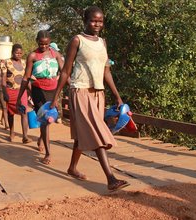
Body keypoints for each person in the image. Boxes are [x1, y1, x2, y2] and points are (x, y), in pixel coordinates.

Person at [50, 6, 130, 191]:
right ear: (85, 21)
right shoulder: (77, 40)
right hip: (80, 91)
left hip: (98, 93)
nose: (97, 24)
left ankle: (72, 168)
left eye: (100, 21)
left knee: (82, 134)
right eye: (93, 20)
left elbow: (106, 71)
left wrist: (117, 97)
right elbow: (65, 71)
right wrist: (55, 98)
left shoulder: (103, 42)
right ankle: (111, 178)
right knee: (96, 132)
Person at [16, 30, 64, 165]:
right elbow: (26, 77)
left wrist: (71, 87)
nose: (43, 47)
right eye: (41, 44)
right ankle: (48, 153)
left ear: (50, 42)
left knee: (50, 119)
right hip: (38, 90)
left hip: (53, 90)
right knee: (44, 119)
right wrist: (20, 96)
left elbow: (64, 72)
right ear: (37, 41)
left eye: (46, 44)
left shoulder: (56, 55)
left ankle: (42, 138)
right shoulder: (33, 56)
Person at [0, 44, 31, 143]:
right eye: (16, 53)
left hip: (22, 91)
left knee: (24, 112)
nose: (18, 55)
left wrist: (31, 91)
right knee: (11, 113)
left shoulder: (24, 63)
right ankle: (12, 132)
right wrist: (5, 92)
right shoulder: (7, 63)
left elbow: (27, 78)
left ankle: (25, 136)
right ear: (12, 53)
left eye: (20, 53)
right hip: (10, 91)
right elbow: (3, 79)